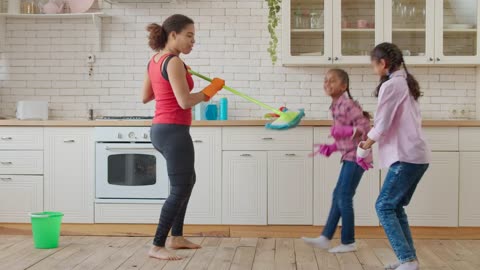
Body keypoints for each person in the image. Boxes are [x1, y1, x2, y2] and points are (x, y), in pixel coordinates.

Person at [143, 14, 225, 260]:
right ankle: (157, 245)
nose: (193, 41)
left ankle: (176, 237)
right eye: (189, 35)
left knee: (187, 181)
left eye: (194, 37)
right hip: (174, 131)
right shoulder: (173, 62)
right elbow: (185, 101)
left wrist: (175, 77)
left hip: (160, 130)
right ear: (173, 35)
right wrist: (210, 91)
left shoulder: (155, 61)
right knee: (180, 187)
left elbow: (146, 96)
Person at [358, 42, 430, 270]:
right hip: (416, 156)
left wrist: (365, 145)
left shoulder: (392, 85)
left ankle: (408, 261)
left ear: (383, 63)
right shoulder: (405, 82)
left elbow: (382, 124)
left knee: (384, 206)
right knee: (395, 207)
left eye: (373, 64)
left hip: (406, 156)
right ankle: (408, 260)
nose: (373, 68)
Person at [303, 69, 373, 253]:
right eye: (325, 80)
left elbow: (365, 126)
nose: (327, 84)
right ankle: (325, 237)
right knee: (338, 194)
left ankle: (349, 241)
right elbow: (344, 135)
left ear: (344, 86)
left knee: (344, 196)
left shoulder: (348, 104)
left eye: (332, 81)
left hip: (358, 156)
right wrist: (333, 147)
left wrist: (348, 132)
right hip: (348, 155)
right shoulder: (334, 107)